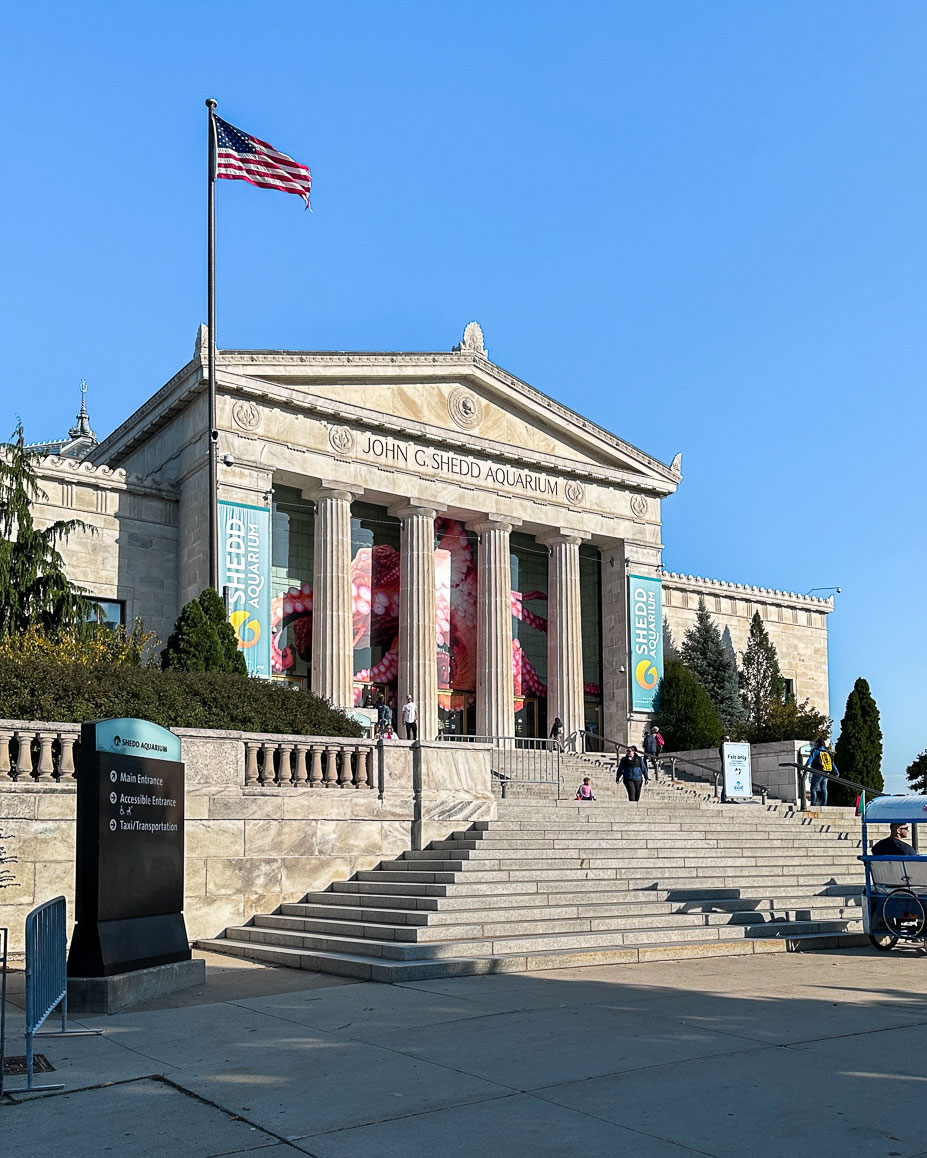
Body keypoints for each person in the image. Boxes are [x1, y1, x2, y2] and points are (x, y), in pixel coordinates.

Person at [806, 738, 836, 807]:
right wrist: (836, 771)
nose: (814, 743)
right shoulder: (826, 752)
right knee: (824, 788)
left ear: (817, 743)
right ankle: (824, 804)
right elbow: (831, 762)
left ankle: (813, 804)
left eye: (815, 742)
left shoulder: (815, 750)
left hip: (818, 771)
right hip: (826, 772)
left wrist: (806, 766)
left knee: (813, 788)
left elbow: (810, 758)